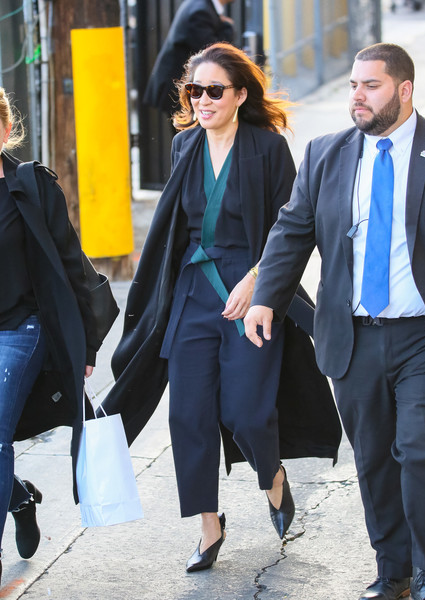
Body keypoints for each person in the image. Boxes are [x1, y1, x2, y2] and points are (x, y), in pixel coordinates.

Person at [103, 42, 341, 573]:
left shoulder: (268, 149)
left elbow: (291, 228)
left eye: (214, 90)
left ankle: (272, 476)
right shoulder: (184, 145)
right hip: (192, 291)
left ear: (240, 95)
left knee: (246, 413)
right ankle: (209, 527)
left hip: (253, 293)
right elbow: (176, 227)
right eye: (195, 90)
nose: (202, 100)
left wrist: (258, 281)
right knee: (188, 415)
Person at [245, 42, 425, 600]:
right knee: (375, 459)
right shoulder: (326, 154)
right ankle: (393, 572)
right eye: (354, 85)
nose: (357, 96)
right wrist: (266, 297)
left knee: (420, 447)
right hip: (353, 336)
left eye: (371, 86)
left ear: (404, 90)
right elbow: (292, 230)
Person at [0, 88, 101, 586]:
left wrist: (86, 343)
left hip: (20, 328)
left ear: (5, 130)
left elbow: (69, 262)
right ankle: (19, 497)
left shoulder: (31, 185)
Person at [143, 0, 235, 115]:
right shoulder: (200, 11)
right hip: (178, 86)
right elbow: (214, 53)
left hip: (182, 85)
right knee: (187, 125)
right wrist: (227, 27)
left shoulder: (201, 6)